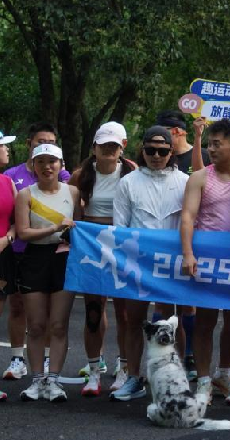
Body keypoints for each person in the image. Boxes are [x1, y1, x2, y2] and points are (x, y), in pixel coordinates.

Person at [110, 126, 190, 402]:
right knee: (134, 319)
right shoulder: (128, 182)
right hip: (137, 262)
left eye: (162, 151)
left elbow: (190, 222)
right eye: (151, 150)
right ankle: (134, 377)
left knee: (171, 321)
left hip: (171, 262)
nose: (156, 156)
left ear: (171, 151)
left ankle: (174, 378)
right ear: (142, 150)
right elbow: (120, 226)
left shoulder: (184, 181)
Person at [179, 119, 230, 402]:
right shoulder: (200, 177)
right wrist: (188, 253)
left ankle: (224, 372)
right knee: (205, 320)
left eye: (217, 144)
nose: (212, 149)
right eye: (210, 144)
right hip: (207, 258)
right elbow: (188, 216)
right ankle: (204, 380)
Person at [67, 122, 134, 396]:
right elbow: (72, 213)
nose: (108, 149)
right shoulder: (81, 175)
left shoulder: (131, 173)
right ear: (94, 147)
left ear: (122, 147)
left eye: (113, 145)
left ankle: (125, 368)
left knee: (125, 312)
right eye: (103, 145)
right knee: (94, 311)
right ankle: (94, 370)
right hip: (92, 246)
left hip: (123, 247)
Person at [3, 122, 70, 382]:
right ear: (30, 143)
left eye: (52, 143)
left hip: (55, 254)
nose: (47, 163)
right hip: (20, 250)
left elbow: (74, 216)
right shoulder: (13, 175)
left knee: (52, 316)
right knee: (18, 306)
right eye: (41, 142)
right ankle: (17, 358)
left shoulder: (65, 178)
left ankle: (48, 365)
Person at [15, 144, 81, 402]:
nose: (47, 167)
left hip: (64, 259)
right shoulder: (25, 194)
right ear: (33, 165)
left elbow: (78, 227)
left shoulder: (72, 192)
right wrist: (54, 228)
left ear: (61, 164)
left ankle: (53, 380)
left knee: (58, 325)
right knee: (36, 325)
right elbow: (23, 232)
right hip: (35, 259)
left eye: (52, 161)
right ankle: (36, 380)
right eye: (40, 161)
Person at [0, 130, 16, 401]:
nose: (7, 150)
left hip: (2, 254)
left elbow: (16, 220)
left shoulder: (7, 181)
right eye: (3, 145)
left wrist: (7, 238)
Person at [156, 110, 209, 175]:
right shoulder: (157, 157)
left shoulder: (205, 156)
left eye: (161, 132)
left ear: (177, 131)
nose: (158, 136)